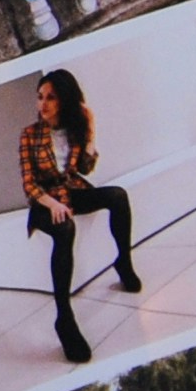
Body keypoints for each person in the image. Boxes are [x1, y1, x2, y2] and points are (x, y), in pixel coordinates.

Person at [19, 69, 137, 365]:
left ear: (65, 100)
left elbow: (85, 168)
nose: (42, 104)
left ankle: (123, 260)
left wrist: (91, 130)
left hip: (72, 191)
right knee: (65, 229)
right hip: (44, 203)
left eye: (51, 98)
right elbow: (29, 184)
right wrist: (52, 205)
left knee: (117, 195)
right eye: (40, 97)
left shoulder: (74, 129)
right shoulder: (29, 135)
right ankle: (64, 317)